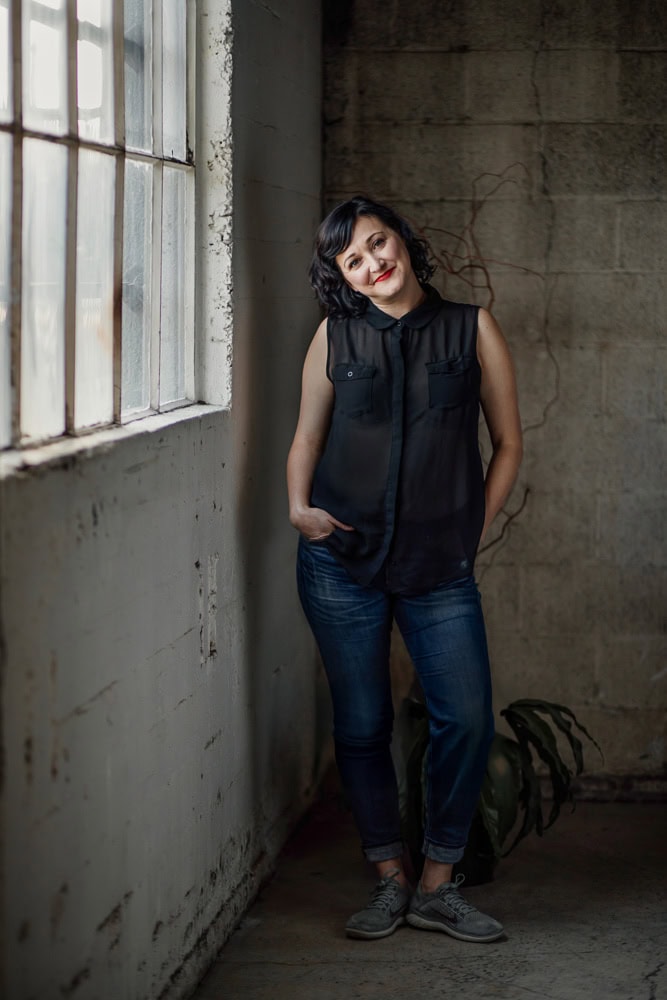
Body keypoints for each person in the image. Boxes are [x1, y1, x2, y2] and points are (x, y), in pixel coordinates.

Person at [286, 195, 522, 942]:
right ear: (344, 279)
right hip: (339, 563)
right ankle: (388, 877)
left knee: (467, 719)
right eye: (352, 260)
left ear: (402, 241)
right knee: (361, 724)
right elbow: (305, 438)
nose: (372, 262)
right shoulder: (335, 336)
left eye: (377, 243)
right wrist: (298, 508)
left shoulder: (470, 326)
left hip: (437, 565)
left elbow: (508, 443)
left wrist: (467, 531)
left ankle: (436, 884)